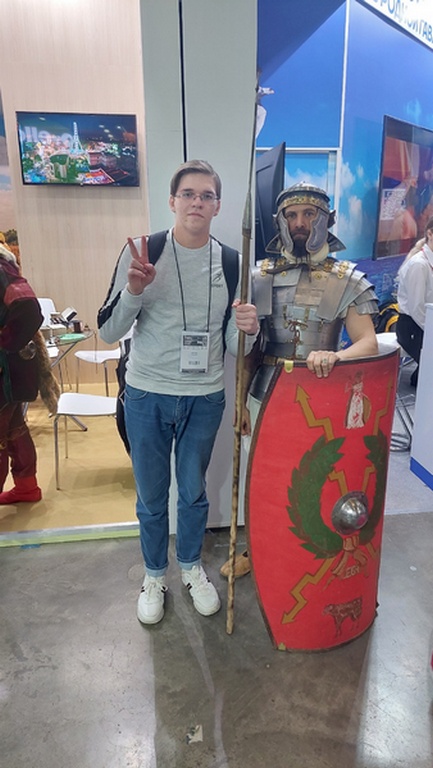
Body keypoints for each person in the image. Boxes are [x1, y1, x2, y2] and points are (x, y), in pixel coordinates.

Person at [98, 159, 259, 624]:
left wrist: (248, 328)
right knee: (152, 497)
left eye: (207, 196)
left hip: (204, 398)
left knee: (192, 493)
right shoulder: (143, 253)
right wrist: (134, 291)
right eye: (188, 194)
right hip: (147, 394)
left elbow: (233, 347)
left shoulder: (232, 263)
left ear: (217, 206)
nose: (197, 202)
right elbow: (108, 331)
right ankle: (154, 576)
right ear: (172, 201)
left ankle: (190, 567)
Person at [220, 182, 379, 579]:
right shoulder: (259, 276)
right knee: (262, 478)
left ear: (327, 220)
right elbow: (250, 349)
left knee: (314, 479)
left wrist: (336, 355)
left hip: (320, 396)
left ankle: (305, 553)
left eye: (309, 214)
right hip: (265, 392)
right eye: (291, 216)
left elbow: (368, 342)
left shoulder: (348, 278)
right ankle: (257, 550)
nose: (300, 223)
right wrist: (240, 401)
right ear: (281, 222)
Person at [0, 241, 44, 505]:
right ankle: (26, 488)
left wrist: (5, 341)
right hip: (11, 368)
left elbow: (27, 308)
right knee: (14, 429)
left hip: (5, 369)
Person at [395, 216, 433, 388]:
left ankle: (419, 382)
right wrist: (431, 330)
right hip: (412, 327)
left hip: (425, 325)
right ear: (430, 234)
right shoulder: (419, 265)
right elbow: (417, 308)